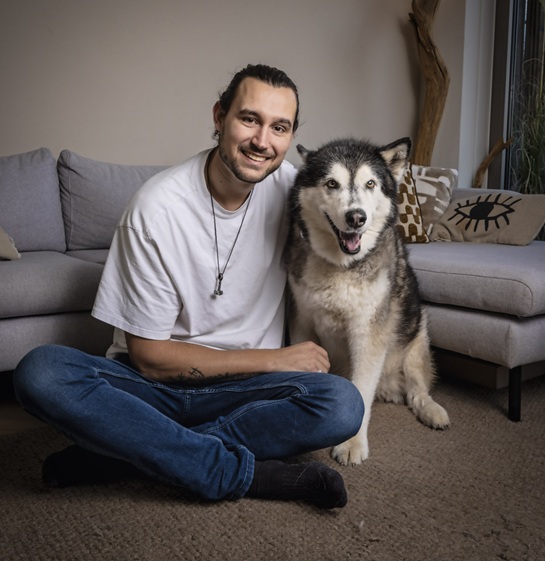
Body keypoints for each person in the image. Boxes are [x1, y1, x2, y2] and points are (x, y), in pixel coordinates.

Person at [13, 64, 364, 509]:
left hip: (246, 391)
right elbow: (151, 359)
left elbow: (356, 227)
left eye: (279, 127)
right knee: (42, 372)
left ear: (291, 136)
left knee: (342, 404)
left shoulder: (294, 193)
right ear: (219, 116)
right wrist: (276, 359)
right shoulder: (155, 209)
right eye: (249, 119)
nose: (262, 141)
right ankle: (230, 472)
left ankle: (127, 454)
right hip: (151, 389)